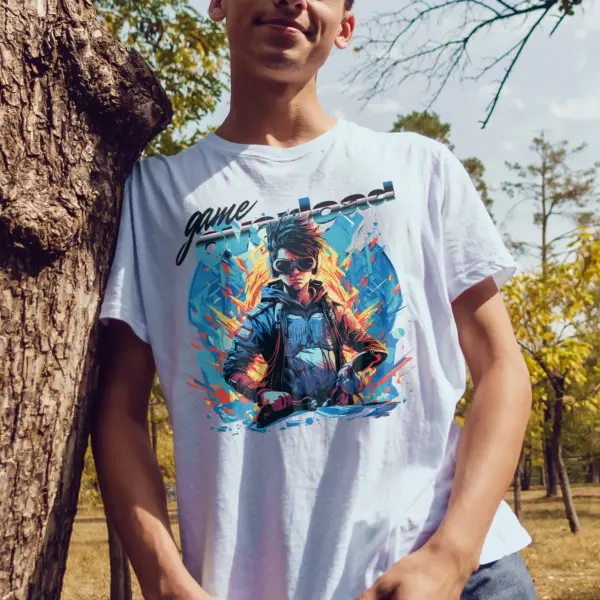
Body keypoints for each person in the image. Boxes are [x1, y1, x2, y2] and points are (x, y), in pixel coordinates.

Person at [94, 0, 537, 599]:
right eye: (284, 264)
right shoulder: (154, 194)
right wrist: (165, 581)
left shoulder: (421, 167)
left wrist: (452, 555)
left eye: (302, 263)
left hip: (454, 575)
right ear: (218, 3)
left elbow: (501, 366)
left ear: (345, 27)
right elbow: (121, 408)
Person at [223, 214, 388, 428]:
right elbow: (233, 369)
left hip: (337, 415)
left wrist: (353, 366)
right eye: (285, 265)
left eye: (304, 263)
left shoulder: (334, 310)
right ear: (274, 267)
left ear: (315, 264)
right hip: (285, 420)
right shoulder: (263, 317)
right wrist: (263, 394)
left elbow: (374, 349)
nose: (295, 272)